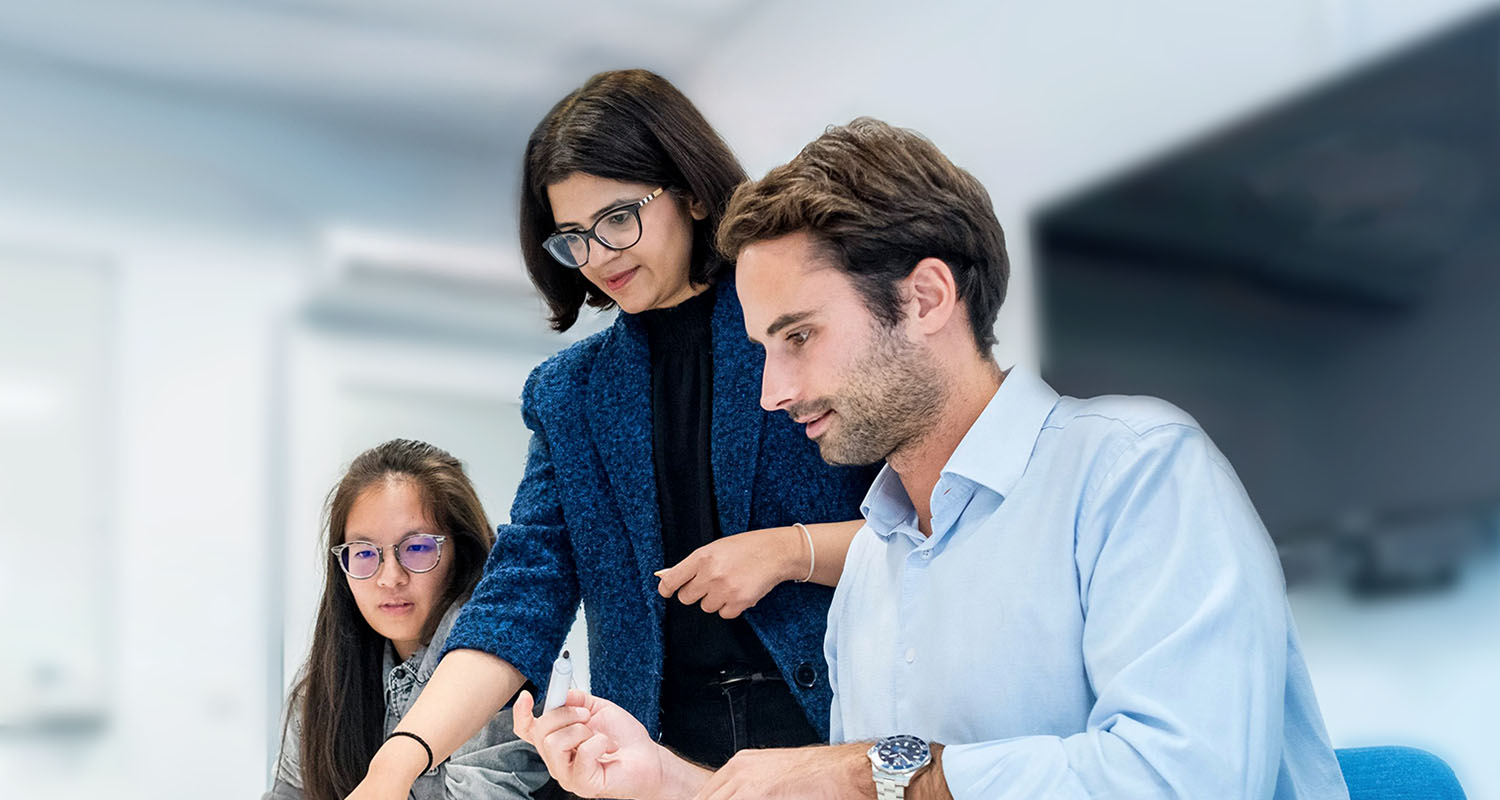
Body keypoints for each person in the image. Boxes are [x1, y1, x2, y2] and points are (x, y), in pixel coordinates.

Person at [514, 118, 1351, 800]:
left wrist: (865, 769)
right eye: (763, 347)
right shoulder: (875, 563)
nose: (771, 390)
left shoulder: (1138, 474)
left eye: (799, 336)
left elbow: (1186, 780)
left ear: (925, 299)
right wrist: (674, 783)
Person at [345, 71, 877, 799]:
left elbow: (928, 532)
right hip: (652, 756)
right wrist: (397, 761)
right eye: (572, 238)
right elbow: (519, 598)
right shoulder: (570, 395)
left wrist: (789, 552)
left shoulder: (795, 333)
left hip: (827, 735)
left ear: (690, 191)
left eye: (618, 218)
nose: (598, 255)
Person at [265, 439, 549, 800]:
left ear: (459, 554)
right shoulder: (322, 690)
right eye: (364, 553)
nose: (390, 577)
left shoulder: (495, 677)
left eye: (416, 548)